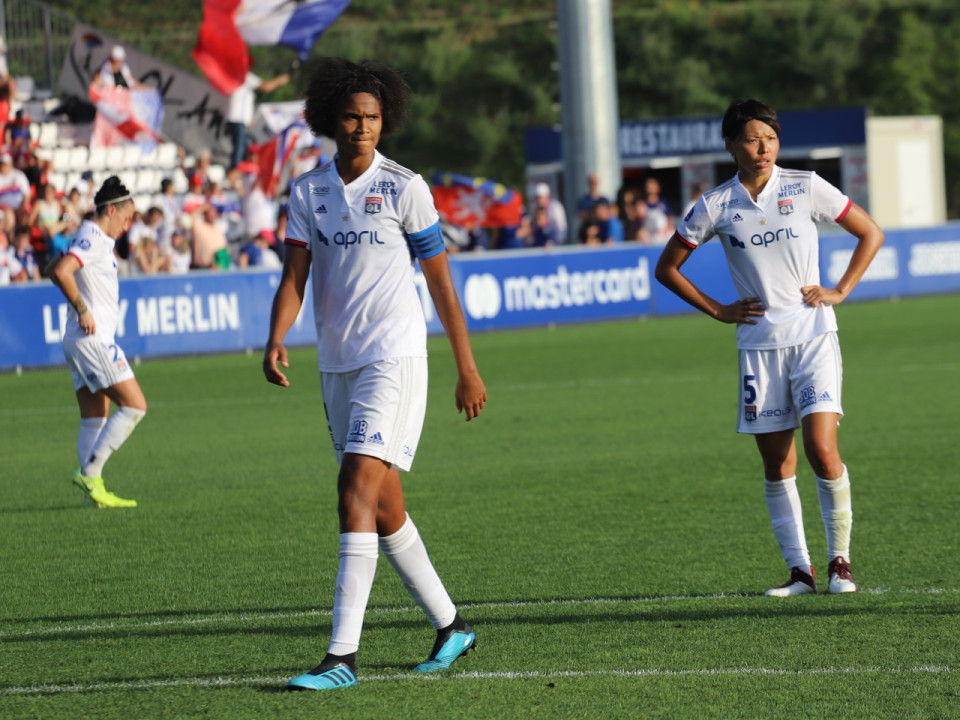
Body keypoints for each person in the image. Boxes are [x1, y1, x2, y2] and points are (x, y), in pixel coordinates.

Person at [263, 57, 487, 691]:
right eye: (353, 117)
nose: (364, 127)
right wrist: (277, 337)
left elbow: (441, 286)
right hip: (336, 362)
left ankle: (341, 657)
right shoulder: (308, 192)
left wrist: (466, 368)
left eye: (374, 118)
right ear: (331, 122)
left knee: (353, 489)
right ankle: (452, 627)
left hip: (395, 356)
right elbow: (293, 277)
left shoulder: (405, 186)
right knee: (384, 508)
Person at [654, 99, 884, 597]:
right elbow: (666, 268)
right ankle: (800, 572)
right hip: (759, 346)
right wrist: (719, 310)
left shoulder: (805, 186)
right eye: (753, 139)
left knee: (823, 452)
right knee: (778, 465)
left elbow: (870, 232)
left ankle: (839, 564)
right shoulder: (715, 205)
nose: (763, 149)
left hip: (814, 337)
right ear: (731, 143)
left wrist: (840, 290)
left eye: (771, 139)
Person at [45, 176, 146, 509]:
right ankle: (91, 473)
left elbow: (53, 268)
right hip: (92, 338)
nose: (127, 225)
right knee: (134, 405)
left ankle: (95, 493)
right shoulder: (94, 235)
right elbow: (61, 272)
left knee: (94, 415)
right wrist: (83, 308)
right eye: (127, 218)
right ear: (112, 210)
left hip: (76, 339)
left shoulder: (87, 236)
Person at [226, 70, 290, 170]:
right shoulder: (245, 75)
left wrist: (248, 119)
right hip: (238, 120)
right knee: (239, 152)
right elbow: (266, 86)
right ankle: (233, 174)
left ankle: (236, 173)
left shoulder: (236, 75)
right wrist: (279, 80)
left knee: (243, 150)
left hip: (238, 120)